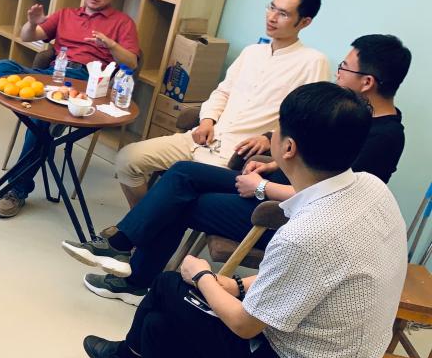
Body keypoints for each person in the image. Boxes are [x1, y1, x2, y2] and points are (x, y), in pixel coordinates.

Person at [82, 82, 407, 358]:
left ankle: (131, 357)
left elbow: (244, 325)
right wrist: (234, 283)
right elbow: (309, 277)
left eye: (276, 127)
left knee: (168, 285)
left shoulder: (308, 233)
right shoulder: (371, 190)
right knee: (160, 327)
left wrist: (203, 276)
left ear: (288, 147)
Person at [70, 35, 411, 305]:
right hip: (270, 185)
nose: (338, 73)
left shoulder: (383, 138)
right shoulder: (353, 115)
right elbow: (315, 157)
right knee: (183, 173)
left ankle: (134, 279)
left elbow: (332, 199)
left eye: (344, 68)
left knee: (182, 202)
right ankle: (122, 243)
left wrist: (261, 187)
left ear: (367, 81)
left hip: (284, 212)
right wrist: (273, 162)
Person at [114, 0, 329, 209]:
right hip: (202, 138)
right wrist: (207, 120)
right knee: (127, 159)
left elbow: (309, 122)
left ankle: (146, 224)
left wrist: (270, 138)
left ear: (304, 22)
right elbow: (223, 91)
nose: (272, 17)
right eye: (272, 7)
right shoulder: (252, 52)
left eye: (283, 14)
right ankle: (144, 220)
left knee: (177, 187)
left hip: (234, 156)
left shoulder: (312, 62)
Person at [0, 0, 140, 218]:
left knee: (39, 124)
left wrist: (111, 45)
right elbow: (27, 36)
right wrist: (31, 23)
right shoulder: (66, 14)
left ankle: (17, 189)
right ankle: (48, 116)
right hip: (52, 76)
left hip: (84, 82)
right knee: (2, 67)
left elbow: (133, 62)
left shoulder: (122, 23)